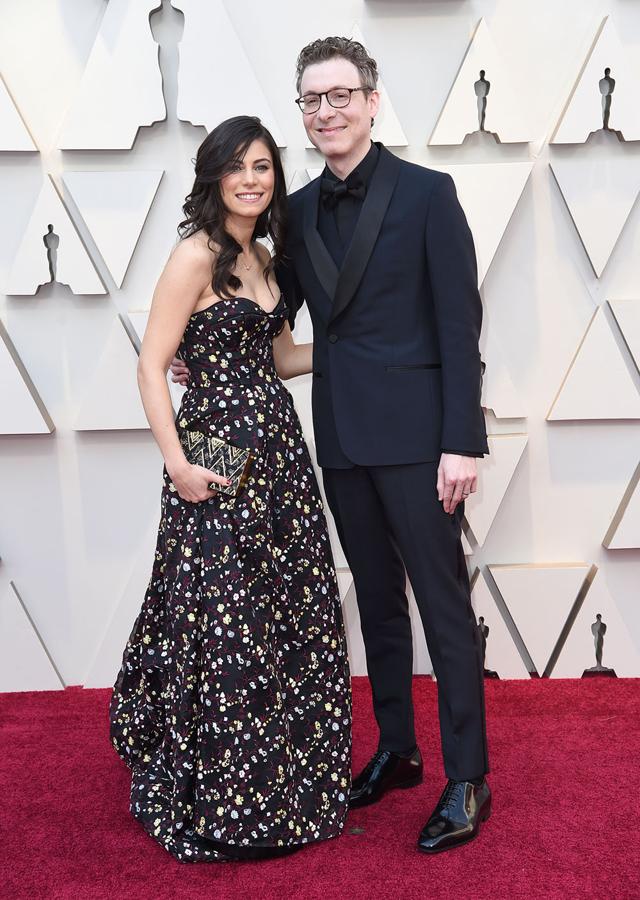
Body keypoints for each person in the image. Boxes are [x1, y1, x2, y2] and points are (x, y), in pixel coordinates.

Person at [174, 37, 491, 855]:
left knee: (444, 607)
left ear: (372, 101)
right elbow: (270, 320)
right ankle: (398, 749)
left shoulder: (429, 194)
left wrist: (463, 442)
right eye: (313, 99)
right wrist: (198, 347)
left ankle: (468, 777)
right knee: (376, 602)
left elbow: (460, 327)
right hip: (341, 439)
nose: (328, 111)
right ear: (303, 112)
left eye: (341, 95)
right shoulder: (294, 212)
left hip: (422, 442)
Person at [110, 115, 351, 863]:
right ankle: (222, 790)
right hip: (213, 451)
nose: (251, 179)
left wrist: (358, 347)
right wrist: (178, 463)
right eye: (237, 167)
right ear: (214, 177)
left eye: (263, 166)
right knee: (225, 616)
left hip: (277, 455)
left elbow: (280, 360)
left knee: (282, 608)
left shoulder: (266, 256)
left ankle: (281, 779)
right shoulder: (194, 255)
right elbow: (152, 365)